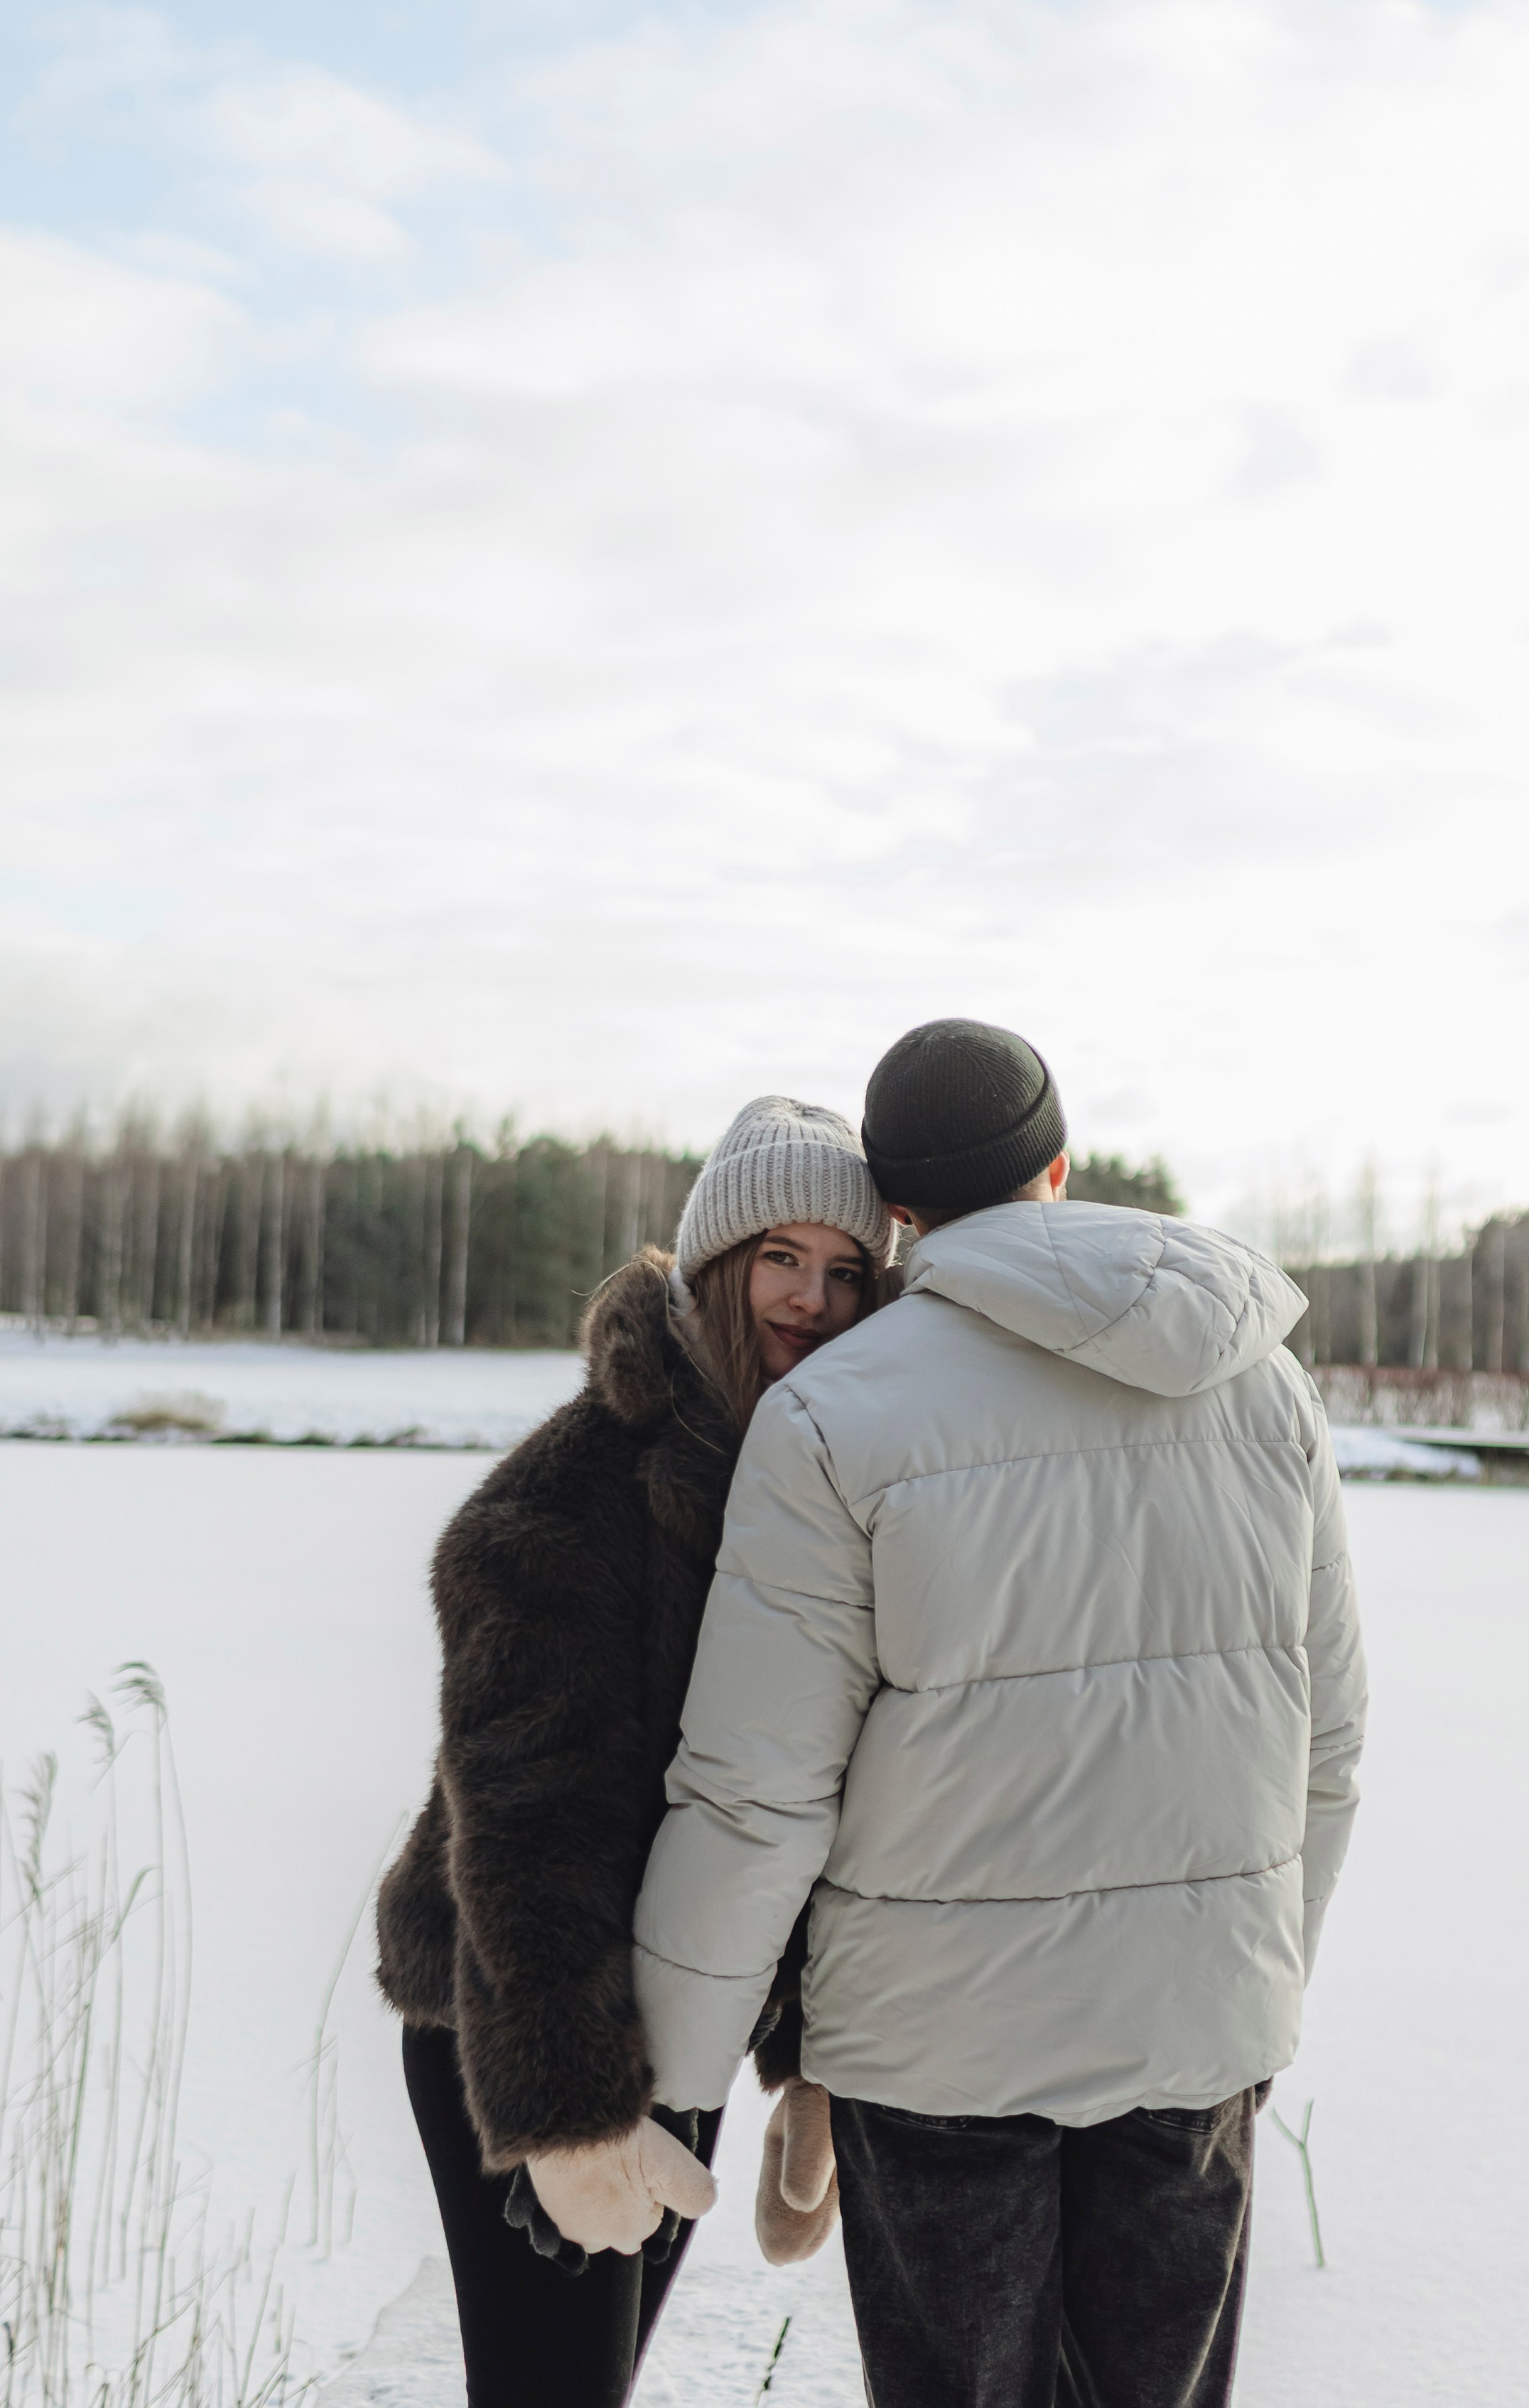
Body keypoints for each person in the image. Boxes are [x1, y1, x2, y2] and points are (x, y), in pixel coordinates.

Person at [620, 1017, 1368, 2408]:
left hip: (932, 2052)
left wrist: (662, 2085)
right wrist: (1252, 1985)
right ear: (1058, 1168)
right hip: (1193, 2029)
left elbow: (755, 1794)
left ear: (894, 1216)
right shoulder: (1264, 1381)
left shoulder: (834, 1413)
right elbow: (1324, 1742)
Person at [374, 1095, 891, 2408]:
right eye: (781, 1258)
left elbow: (802, 1793)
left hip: (682, 2019)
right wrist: (565, 2109)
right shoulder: (579, 1488)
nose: (811, 1301)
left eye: (845, 1272)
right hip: (528, 2018)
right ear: (718, 1262)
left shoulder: (813, 1482)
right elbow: (527, 1819)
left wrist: (803, 2055)